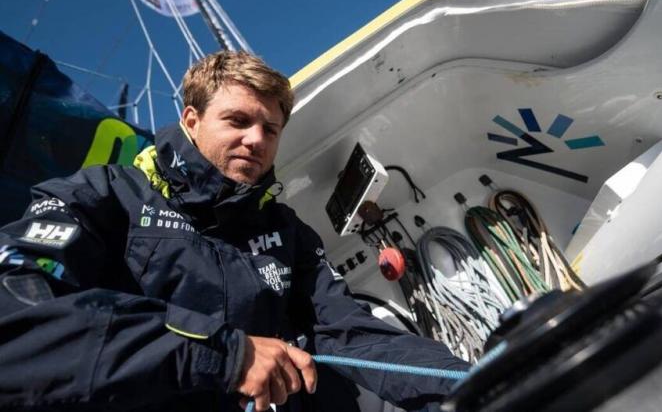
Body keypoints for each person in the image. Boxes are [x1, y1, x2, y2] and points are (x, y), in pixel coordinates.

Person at [0, 50, 470, 411]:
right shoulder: (104, 195)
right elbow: (17, 312)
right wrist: (222, 353)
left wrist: (472, 385)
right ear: (191, 120)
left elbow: (354, 336)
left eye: (271, 128)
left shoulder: (287, 231)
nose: (257, 140)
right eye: (238, 120)